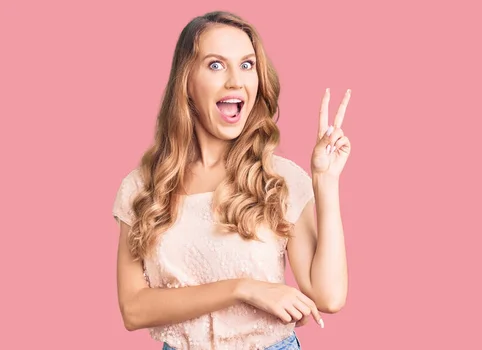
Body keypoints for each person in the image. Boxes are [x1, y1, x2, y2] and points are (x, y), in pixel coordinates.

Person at [112, 11, 351, 350]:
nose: (236, 81)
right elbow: (133, 309)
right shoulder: (143, 188)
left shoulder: (279, 179)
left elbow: (329, 296)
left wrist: (325, 182)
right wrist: (243, 288)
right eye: (215, 65)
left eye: (247, 65)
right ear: (187, 82)